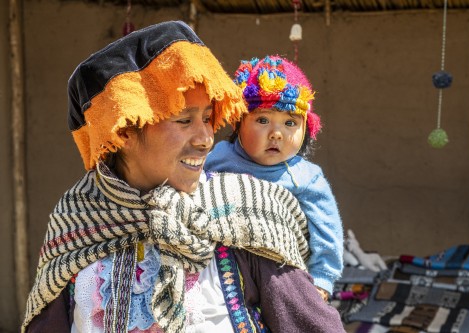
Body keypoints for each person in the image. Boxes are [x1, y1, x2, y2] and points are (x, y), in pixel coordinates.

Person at [22, 21, 345, 333]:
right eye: (183, 120)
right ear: (124, 131)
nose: (206, 138)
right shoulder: (77, 219)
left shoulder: (251, 209)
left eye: (207, 118)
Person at [204, 56, 344, 301]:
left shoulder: (306, 177)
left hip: (279, 275)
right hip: (220, 270)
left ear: (306, 130)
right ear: (238, 122)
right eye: (262, 120)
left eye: (290, 123)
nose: (276, 134)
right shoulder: (217, 157)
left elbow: (326, 231)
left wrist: (322, 279)